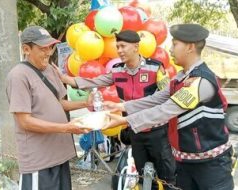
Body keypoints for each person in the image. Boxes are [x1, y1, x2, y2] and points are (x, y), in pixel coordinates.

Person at [102, 24, 234, 190]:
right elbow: (155, 99)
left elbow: (165, 109)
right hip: (185, 161)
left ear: (190, 47)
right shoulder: (181, 78)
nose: (170, 49)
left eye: (175, 44)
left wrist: (124, 119)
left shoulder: (201, 81)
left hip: (210, 165)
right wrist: (120, 105)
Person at [55, 30, 176, 189]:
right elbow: (95, 81)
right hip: (134, 131)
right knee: (142, 177)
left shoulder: (155, 68)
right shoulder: (117, 70)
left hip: (158, 131)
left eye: (123, 46)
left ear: (135, 47)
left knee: (168, 177)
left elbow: (166, 96)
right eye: (117, 46)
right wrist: (65, 79)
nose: (119, 50)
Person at [6, 26, 91, 190]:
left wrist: (86, 103)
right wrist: (67, 128)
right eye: (42, 48)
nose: (48, 52)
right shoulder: (18, 76)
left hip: (60, 155)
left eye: (50, 47)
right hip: (39, 161)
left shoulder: (50, 69)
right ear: (26, 49)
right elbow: (25, 122)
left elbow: (60, 103)